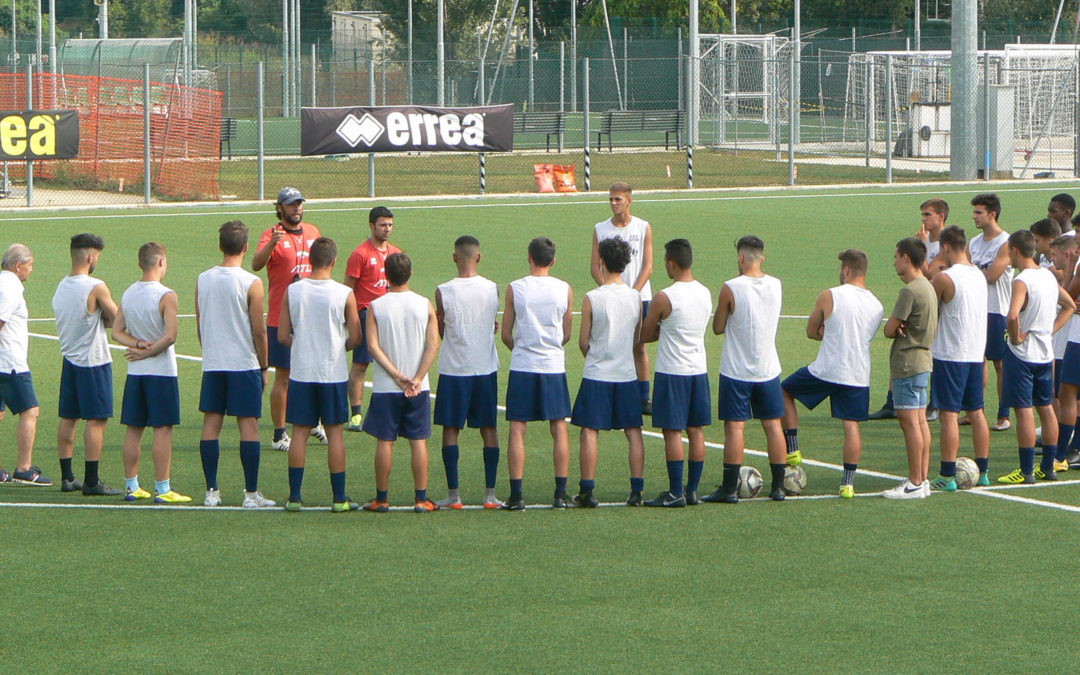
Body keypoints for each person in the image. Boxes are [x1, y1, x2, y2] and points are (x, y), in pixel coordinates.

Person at [781, 249, 884, 499]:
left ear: (846, 270)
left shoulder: (829, 296)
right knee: (851, 426)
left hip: (826, 369)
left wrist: (827, 331)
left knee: (784, 391)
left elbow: (811, 331)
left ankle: (793, 448)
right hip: (858, 373)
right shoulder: (877, 305)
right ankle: (847, 484)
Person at [195, 221, 276, 508]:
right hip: (244, 364)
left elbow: (200, 323)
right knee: (249, 425)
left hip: (215, 363)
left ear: (220, 246)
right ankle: (251, 494)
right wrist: (264, 366)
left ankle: (211, 492)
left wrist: (212, 353)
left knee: (211, 424)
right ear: (245, 248)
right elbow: (259, 331)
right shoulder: (251, 282)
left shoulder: (203, 279)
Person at [278, 237, 361, 512]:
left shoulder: (293, 291)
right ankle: (339, 499)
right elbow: (356, 336)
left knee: (299, 433)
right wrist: (338, 348)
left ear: (309, 260)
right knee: (335, 434)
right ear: (334, 261)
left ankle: (294, 497)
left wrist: (302, 346)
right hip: (333, 373)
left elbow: (282, 335)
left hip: (302, 372)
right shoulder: (344, 293)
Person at [701, 235, 786, 503]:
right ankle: (779, 487)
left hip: (736, 370)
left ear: (740, 258)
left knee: (735, 428)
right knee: (773, 425)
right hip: (768, 367)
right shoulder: (776, 284)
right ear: (763, 257)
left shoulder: (731, 287)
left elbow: (717, 327)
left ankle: (728, 489)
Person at [361, 253, 441, 513]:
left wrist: (396, 375)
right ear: (411, 273)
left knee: (385, 441)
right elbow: (433, 344)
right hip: (418, 388)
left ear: (385, 275)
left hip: (386, 387)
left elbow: (372, 346)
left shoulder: (376, 306)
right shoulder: (424, 304)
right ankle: (421, 499)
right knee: (418, 440)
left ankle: (381, 499)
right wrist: (417, 378)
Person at [500, 237, 574, 510]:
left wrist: (521, 348)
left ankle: (517, 495)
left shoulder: (516, 288)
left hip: (523, 365)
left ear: (529, 258)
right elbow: (566, 333)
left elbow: (507, 334)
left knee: (518, 428)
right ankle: (560, 493)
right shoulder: (564, 288)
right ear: (552, 261)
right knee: (559, 427)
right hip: (553, 365)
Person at [571, 237, 645, 507]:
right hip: (625, 373)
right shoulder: (636, 298)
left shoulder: (593, 297)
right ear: (625, 264)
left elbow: (583, 341)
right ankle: (637, 490)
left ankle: (587, 491)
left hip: (597, 374)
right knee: (633, 431)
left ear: (601, 261)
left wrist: (595, 357)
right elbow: (637, 340)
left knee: (590, 431)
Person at [997, 231, 1075, 484]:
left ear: (1014, 250)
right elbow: (1070, 306)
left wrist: (1016, 337)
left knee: (1023, 411)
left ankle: (1026, 470)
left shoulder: (1022, 280)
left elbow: (1012, 315)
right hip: (1045, 354)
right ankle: (1048, 468)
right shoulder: (1048, 276)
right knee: (1046, 408)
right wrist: (1049, 330)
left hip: (1022, 355)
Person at [252, 187, 326, 452]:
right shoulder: (271, 235)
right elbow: (256, 264)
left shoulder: (313, 232)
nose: (297, 208)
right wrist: (272, 243)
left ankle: (312, 420)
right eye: (291, 205)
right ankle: (279, 434)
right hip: (281, 316)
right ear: (280, 208)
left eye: (299, 204)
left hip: (312, 315)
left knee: (313, 371)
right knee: (284, 376)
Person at [113, 242, 188, 503]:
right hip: (161, 372)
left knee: (134, 429)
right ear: (160, 263)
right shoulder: (167, 295)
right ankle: (163, 488)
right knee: (162, 429)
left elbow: (117, 331)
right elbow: (171, 336)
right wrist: (149, 350)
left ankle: (132, 486)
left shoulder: (129, 292)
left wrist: (137, 345)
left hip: (136, 373)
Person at [641, 238, 712, 508]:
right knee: (696, 431)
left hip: (672, 372)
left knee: (672, 432)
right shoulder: (705, 292)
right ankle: (691, 490)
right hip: (698, 370)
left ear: (671, 264)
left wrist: (658, 328)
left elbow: (646, 334)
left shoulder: (664, 297)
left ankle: (674, 492)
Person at [432, 235, 501, 509]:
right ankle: (490, 495)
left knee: (451, 428)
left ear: (454, 258)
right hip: (484, 367)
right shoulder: (492, 288)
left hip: (454, 368)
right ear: (479, 257)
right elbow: (490, 323)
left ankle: (454, 495)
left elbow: (441, 329)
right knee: (489, 428)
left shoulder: (443, 290)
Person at [52, 234, 120, 495]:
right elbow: (118, 319)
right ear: (90, 257)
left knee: (68, 418)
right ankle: (92, 480)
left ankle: (67, 477)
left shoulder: (61, 286)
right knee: (96, 420)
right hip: (94, 362)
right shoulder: (96, 286)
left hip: (69, 360)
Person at [870, 198, 949, 420]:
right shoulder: (921, 243)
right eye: (922, 214)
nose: (923, 219)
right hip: (921, 303)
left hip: (932, 305)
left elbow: (930, 274)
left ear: (941, 217)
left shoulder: (944, 244)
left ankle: (934, 404)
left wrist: (920, 249)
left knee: (921, 351)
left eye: (928, 215)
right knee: (902, 347)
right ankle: (891, 401)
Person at [927, 226, 991, 490]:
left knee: (949, 415)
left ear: (945, 247)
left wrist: (931, 270)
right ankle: (983, 471)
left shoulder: (946, 278)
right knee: (976, 412)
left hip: (950, 354)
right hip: (975, 353)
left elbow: (928, 308)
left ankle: (948, 475)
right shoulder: (979, 276)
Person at [881, 238, 938, 499]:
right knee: (920, 421)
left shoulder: (910, 291)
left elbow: (890, 328)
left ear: (906, 257)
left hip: (907, 362)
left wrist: (894, 328)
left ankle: (914, 481)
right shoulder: (928, 286)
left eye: (896, 256)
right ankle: (922, 478)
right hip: (924, 361)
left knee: (910, 423)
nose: (894, 261)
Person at [591, 182, 654, 414]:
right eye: (611, 199)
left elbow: (648, 266)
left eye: (618, 199)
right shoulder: (600, 229)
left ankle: (644, 398)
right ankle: (611, 393)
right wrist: (608, 289)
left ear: (629, 200)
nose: (613, 203)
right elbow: (594, 267)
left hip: (639, 297)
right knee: (612, 345)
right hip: (610, 298)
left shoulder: (643, 227)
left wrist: (632, 293)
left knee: (639, 346)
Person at [344, 206, 401, 431]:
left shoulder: (395, 253)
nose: (387, 229)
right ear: (372, 226)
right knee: (361, 365)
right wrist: (351, 320)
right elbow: (348, 290)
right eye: (383, 225)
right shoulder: (360, 254)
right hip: (367, 315)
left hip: (391, 314)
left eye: (390, 225)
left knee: (392, 364)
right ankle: (356, 414)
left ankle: (390, 410)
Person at [0, 244, 50, 486]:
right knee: (30, 411)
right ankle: (24, 469)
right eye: (29, 264)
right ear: (18, 266)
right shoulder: (10, 287)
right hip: (9, 362)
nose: (32, 269)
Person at [967, 193, 1012, 432]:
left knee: (1000, 364)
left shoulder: (1005, 242)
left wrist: (970, 272)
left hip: (997, 311)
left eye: (978, 212)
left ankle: (1004, 415)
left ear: (992, 214)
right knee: (977, 360)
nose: (974, 216)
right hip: (975, 310)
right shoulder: (974, 242)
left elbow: (993, 276)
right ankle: (976, 411)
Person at [1049, 234, 1080, 469]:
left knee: (1067, 394)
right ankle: (1074, 448)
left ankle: (1059, 456)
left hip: (1078, 339)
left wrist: (1070, 267)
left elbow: (1067, 296)